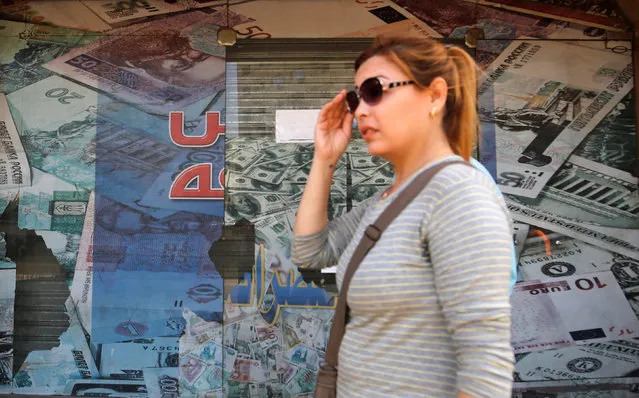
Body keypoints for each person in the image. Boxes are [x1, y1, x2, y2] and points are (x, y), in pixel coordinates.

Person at [290, 35, 515, 398]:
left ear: (435, 96)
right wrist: (324, 157)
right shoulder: (389, 201)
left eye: (375, 90)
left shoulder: (456, 193)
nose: (361, 110)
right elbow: (310, 253)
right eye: (356, 98)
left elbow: (486, 365)